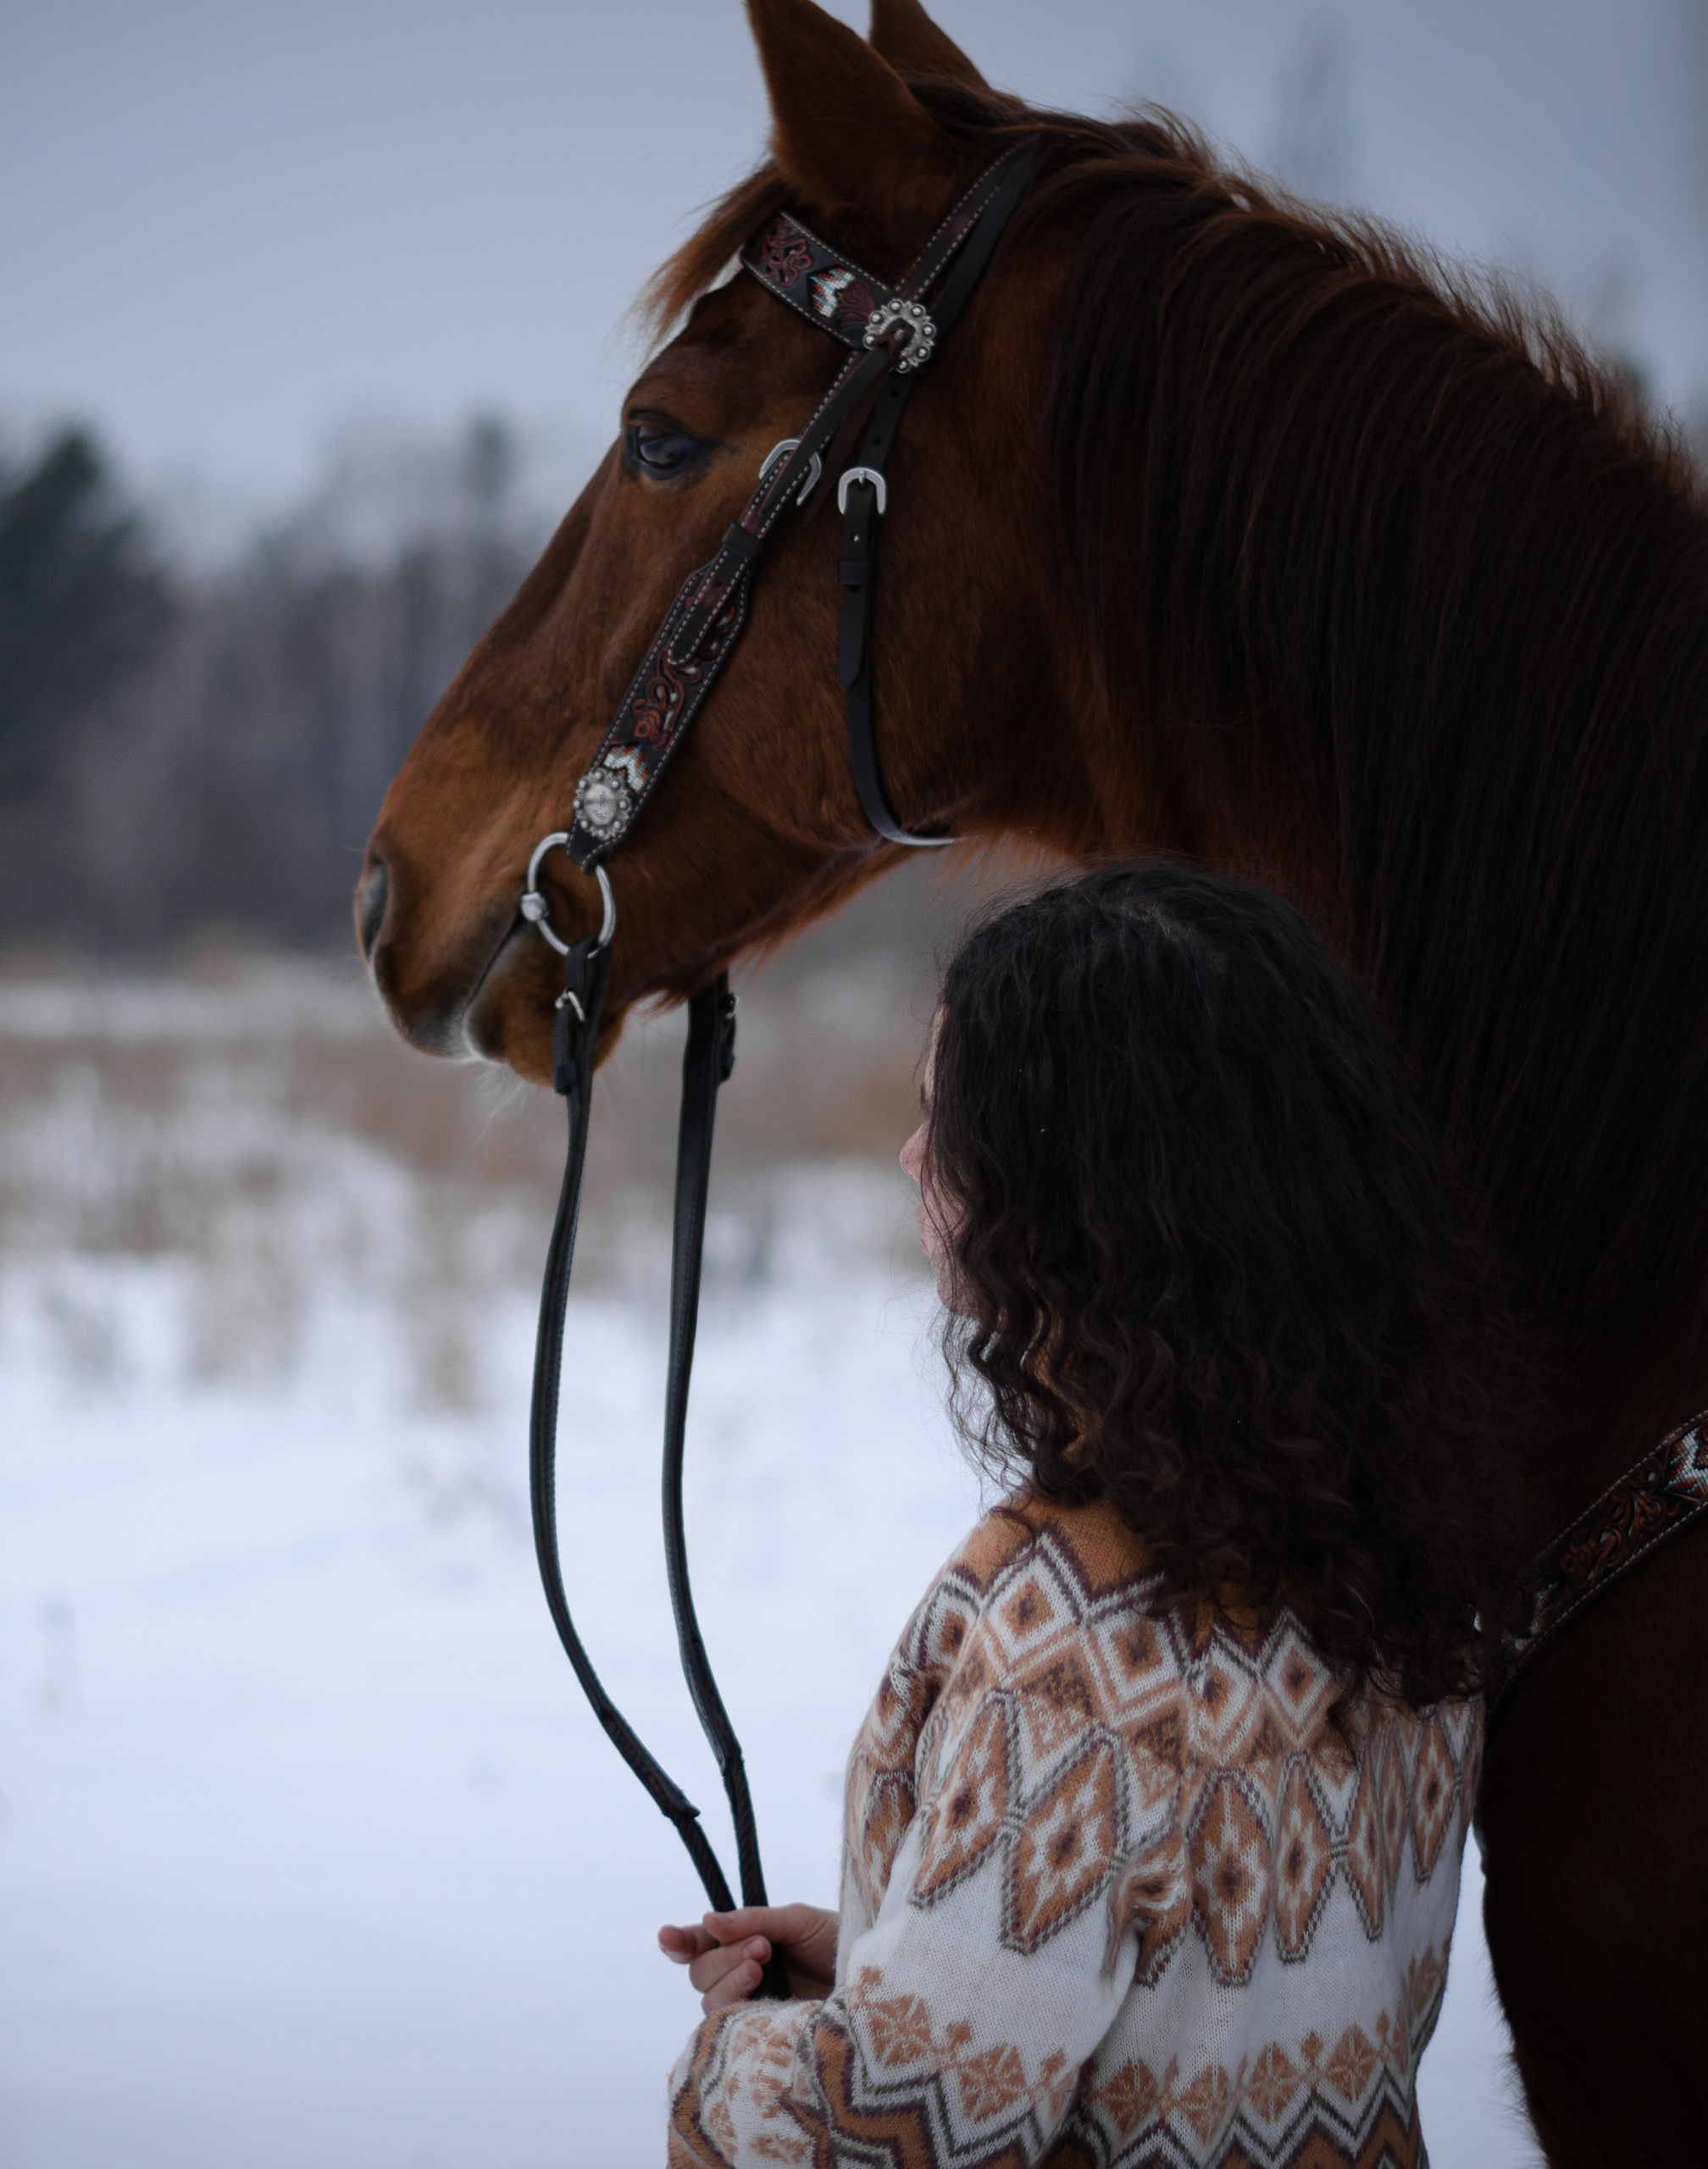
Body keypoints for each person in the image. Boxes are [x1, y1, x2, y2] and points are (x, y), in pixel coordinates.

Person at [658, 864, 1535, 2169]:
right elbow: (1223, 1997)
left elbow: (893, 2135)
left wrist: (726, 2067)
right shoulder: (1396, 1550)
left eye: (949, 1116)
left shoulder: (1075, 1647)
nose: (912, 1155)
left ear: (1076, 1185)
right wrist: (909, 1946)